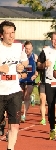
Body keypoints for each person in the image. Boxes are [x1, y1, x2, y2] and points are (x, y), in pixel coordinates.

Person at [0, 20, 28, 150]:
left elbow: (25, 61)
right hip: (0, 92)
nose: (11, 36)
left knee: (15, 124)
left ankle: (10, 148)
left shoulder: (19, 47)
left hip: (14, 91)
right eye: (8, 33)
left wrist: (22, 65)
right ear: (1, 35)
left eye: (13, 33)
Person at [37, 32, 56, 139]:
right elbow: (38, 64)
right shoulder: (46, 51)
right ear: (51, 40)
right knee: (51, 106)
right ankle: (52, 128)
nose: (55, 41)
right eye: (53, 39)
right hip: (49, 81)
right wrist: (44, 65)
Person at [20, 41, 38, 123]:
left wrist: (36, 74)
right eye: (26, 48)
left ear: (32, 48)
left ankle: (24, 114)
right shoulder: (20, 56)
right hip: (21, 79)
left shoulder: (35, 57)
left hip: (30, 79)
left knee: (27, 96)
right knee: (20, 96)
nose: (27, 50)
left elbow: (39, 68)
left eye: (29, 49)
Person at [37, 45, 48, 125]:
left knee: (54, 104)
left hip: (53, 82)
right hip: (43, 82)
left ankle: (54, 118)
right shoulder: (42, 56)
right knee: (42, 99)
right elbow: (38, 67)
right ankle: (43, 118)